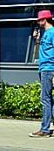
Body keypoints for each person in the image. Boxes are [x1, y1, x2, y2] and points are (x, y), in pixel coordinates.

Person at [31, 9, 54, 137]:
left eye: (39, 20)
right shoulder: (45, 33)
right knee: (49, 100)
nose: (38, 22)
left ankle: (45, 129)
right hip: (44, 68)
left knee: (45, 99)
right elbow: (45, 49)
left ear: (44, 20)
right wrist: (37, 40)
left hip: (49, 69)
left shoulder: (52, 32)